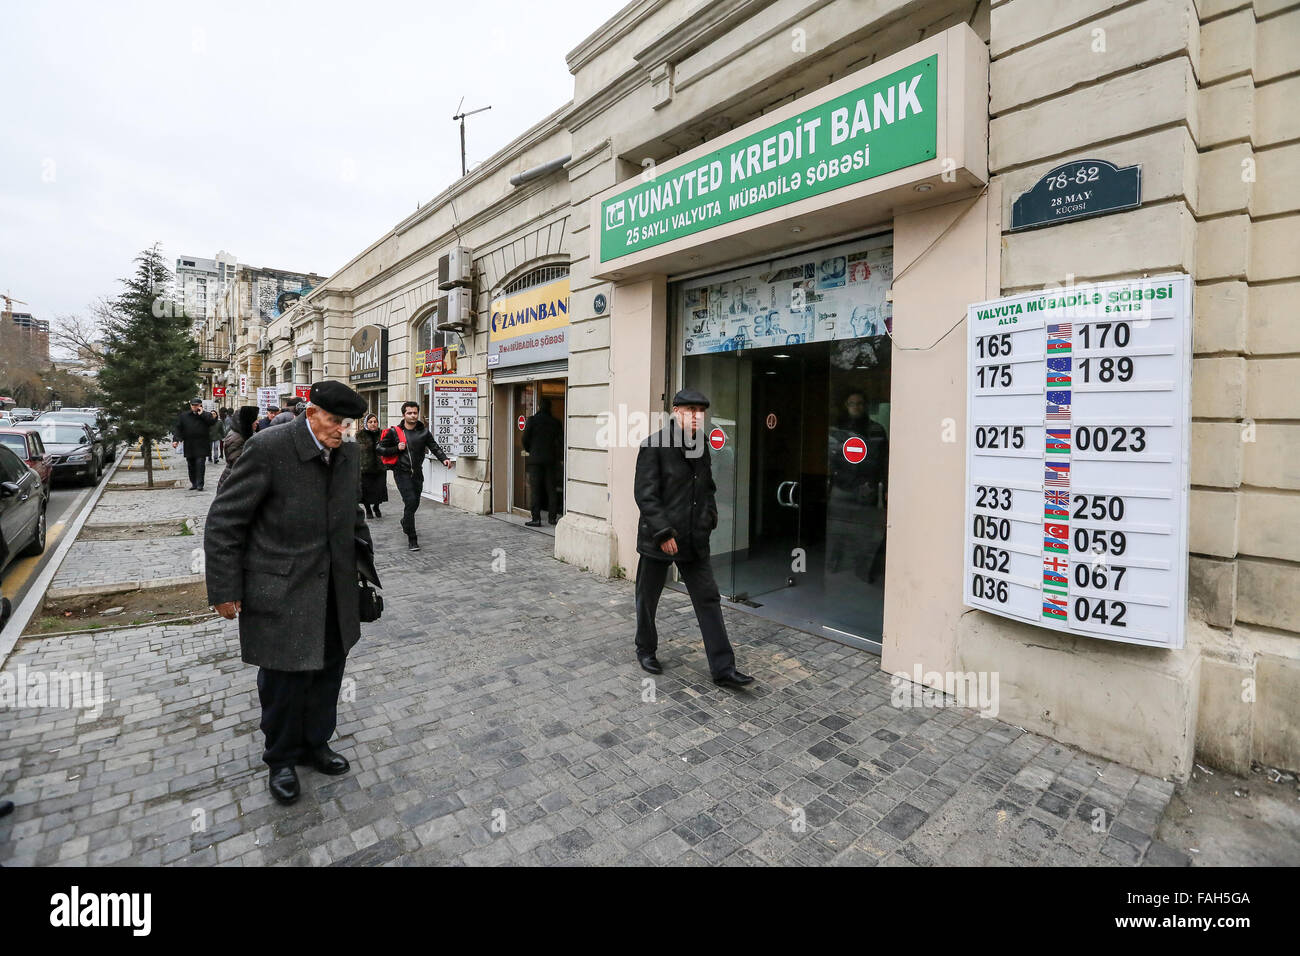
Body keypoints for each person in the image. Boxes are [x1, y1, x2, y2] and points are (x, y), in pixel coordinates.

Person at [204, 381, 374, 806]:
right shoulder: (268, 447)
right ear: (311, 412)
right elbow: (225, 520)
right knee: (284, 680)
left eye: (348, 423)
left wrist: (365, 572)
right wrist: (224, 589)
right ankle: (280, 758)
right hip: (280, 588)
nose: (342, 431)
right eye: (335, 422)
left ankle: (316, 744)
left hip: (335, 587)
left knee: (327, 673)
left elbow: (351, 515)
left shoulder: (349, 452)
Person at [633, 388, 753, 689]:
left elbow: (707, 487)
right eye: (690, 411)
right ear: (676, 412)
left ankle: (723, 669)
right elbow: (646, 496)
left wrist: (709, 516)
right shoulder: (654, 445)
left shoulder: (701, 446)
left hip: (694, 538)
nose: (697, 417)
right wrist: (662, 533)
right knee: (648, 598)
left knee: (708, 598)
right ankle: (645, 649)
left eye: (701, 412)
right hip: (660, 539)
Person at [826, 390, 888, 582]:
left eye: (860, 403)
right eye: (852, 403)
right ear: (846, 405)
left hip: (865, 490)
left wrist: (883, 486)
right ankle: (833, 561)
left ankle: (862, 568)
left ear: (865, 405)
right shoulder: (837, 430)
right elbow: (830, 460)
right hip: (841, 487)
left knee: (865, 533)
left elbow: (884, 462)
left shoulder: (876, 430)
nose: (856, 406)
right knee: (836, 529)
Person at [376, 400, 454, 552]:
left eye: (415, 413)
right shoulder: (395, 432)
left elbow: (434, 447)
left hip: (417, 473)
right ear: (404, 415)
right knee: (410, 501)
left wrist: (444, 458)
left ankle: (405, 521)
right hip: (401, 472)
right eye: (409, 413)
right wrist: (395, 449)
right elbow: (379, 448)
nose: (413, 416)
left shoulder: (423, 431)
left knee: (414, 503)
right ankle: (412, 538)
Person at [521, 398, 562, 527]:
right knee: (551, 490)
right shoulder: (555, 422)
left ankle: (536, 519)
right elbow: (561, 441)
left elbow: (525, 439)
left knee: (535, 490)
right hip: (551, 460)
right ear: (550, 407)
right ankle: (552, 518)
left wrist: (531, 450)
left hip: (535, 460)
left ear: (539, 406)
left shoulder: (532, 421)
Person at [172, 398, 218, 491]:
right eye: (193, 405)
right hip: (189, 444)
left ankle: (200, 484)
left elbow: (212, 422)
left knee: (200, 464)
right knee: (191, 465)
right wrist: (176, 440)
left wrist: (202, 414)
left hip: (202, 444)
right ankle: (194, 483)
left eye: (197, 405)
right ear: (190, 406)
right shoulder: (184, 416)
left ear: (200, 406)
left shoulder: (207, 415)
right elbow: (178, 428)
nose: (195, 407)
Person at [217, 405, 259, 492]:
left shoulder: (241, 434)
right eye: (254, 420)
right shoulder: (237, 437)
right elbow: (238, 462)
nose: (257, 422)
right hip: (234, 482)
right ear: (247, 422)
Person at [356, 413, 388, 519]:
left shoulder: (383, 433)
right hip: (365, 468)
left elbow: (387, 448)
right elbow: (356, 450)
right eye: (370, 422)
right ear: (366, 423)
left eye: (375, 422)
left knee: (379, 490)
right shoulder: (360, 435)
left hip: (380, 467)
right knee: (366, 491)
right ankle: (368, 510)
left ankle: (376, 507)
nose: (373, 424)